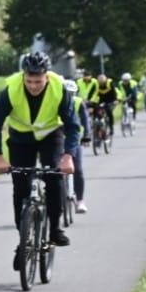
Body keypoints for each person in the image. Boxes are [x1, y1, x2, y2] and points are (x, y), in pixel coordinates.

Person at [0, 51, 78, 269]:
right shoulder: (12, 89)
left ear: (47, 76)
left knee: (54, 178)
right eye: (29, 81)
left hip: (50, 135)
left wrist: (67, 156)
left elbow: (73, 125)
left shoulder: (59, 88)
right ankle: (23, 241)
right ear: (23, 76)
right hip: (20, 138)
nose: (33, 86)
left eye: (38, 81)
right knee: (20, 187)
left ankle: (54, 229)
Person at [64, 79, 90, 214]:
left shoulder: (79, 102)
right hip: (57, 140)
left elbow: (85, 120)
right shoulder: (55, 101)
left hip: (75, 141)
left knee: (78, 169)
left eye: (71, 93)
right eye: (66, 93)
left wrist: (87, 135)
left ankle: (80, 200)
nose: (69, 96)